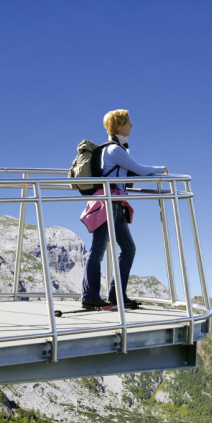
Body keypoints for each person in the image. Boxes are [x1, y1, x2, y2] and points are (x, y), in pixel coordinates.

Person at [80, 109, 168, 309]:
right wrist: (160, 169)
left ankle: (116, 294)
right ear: (119, 125)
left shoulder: (117, 148)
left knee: (127, 248)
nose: (131, 125)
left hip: (116, 203)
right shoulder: (114, 150)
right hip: (108, 204)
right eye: (128, 122)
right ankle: (90, 295)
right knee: (98, 250)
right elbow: (139, 169)